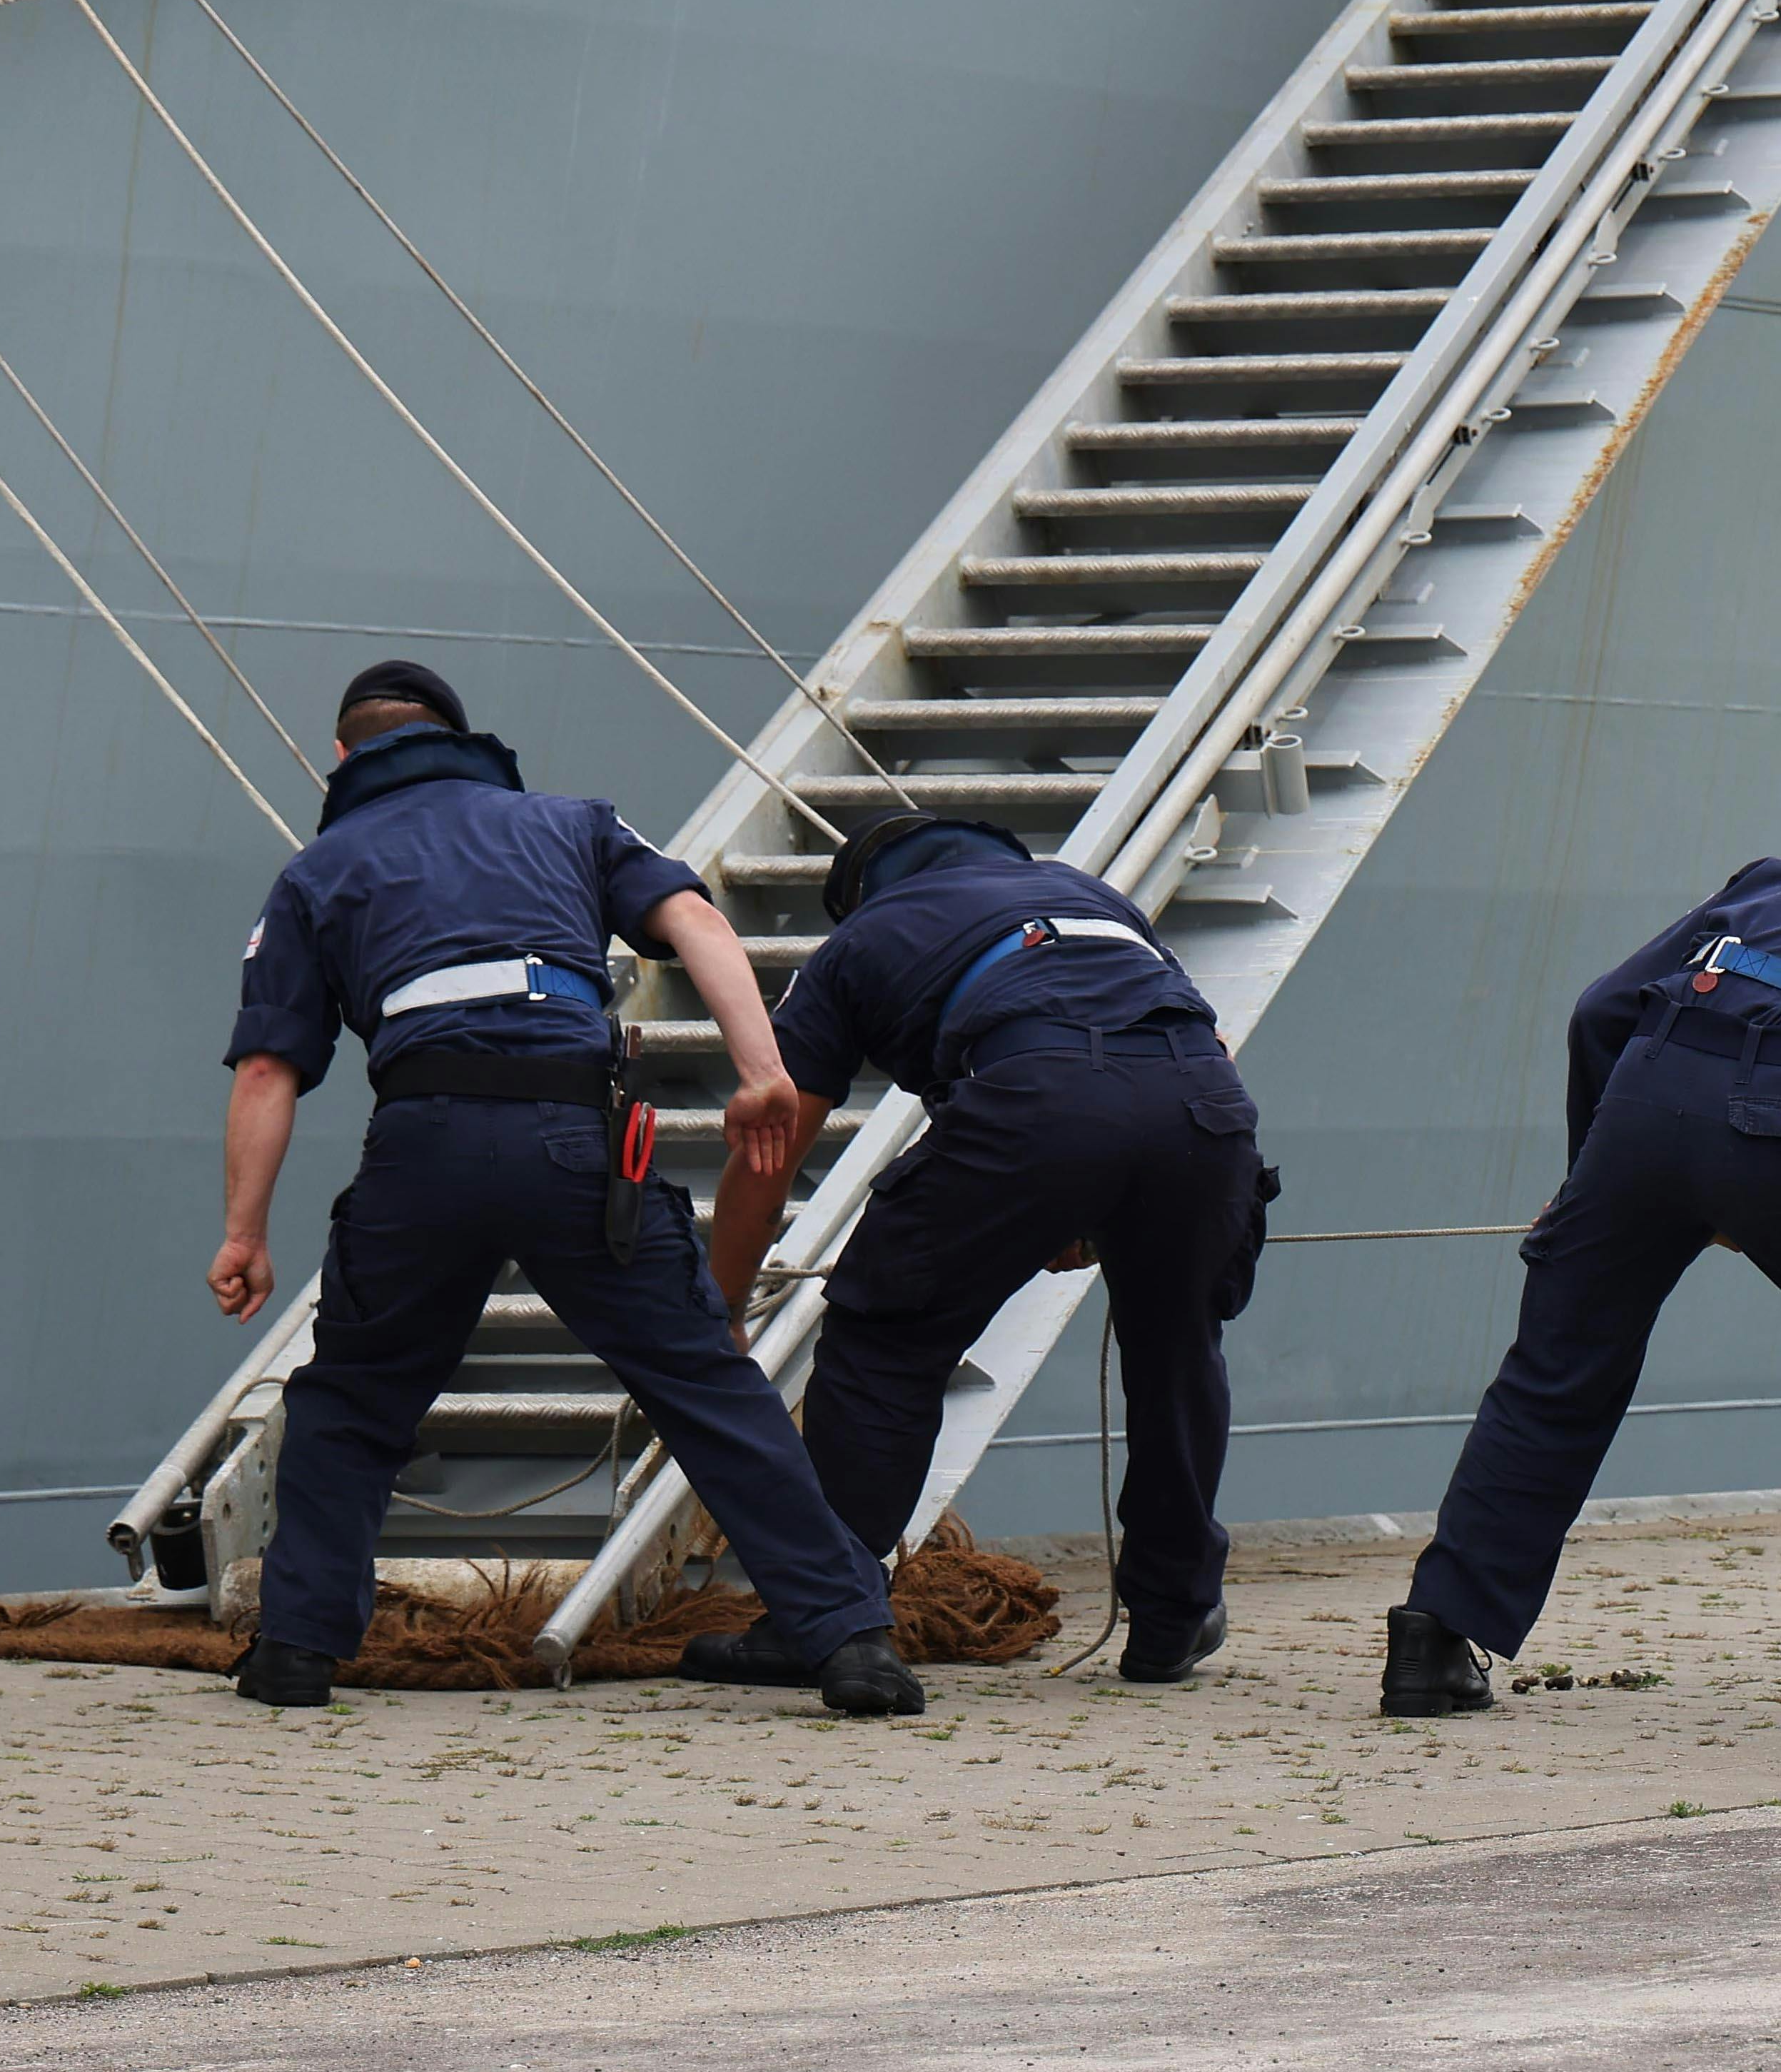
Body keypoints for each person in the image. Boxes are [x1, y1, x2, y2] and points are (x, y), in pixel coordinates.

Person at [211, 663, 913, 1715]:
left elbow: (268, 1068)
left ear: (346, 759)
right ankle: (851, 1642)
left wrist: (243, 1232)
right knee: (706, 1387)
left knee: (353, 1400)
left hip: (424, 1143)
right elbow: (699, 928)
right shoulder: (573, 823)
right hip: (577, 1138)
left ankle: (295, 1653)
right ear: (462, 735)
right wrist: (765, 1071)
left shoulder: (318, 871)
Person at [1384, 834, 1781, 1724]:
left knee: (1556, 1373)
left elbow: (1599, 1011)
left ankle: (1434, 1643)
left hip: (1641, 1102)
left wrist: (1593, 1182)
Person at [682, 812, 1272, 1689]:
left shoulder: (864, 940)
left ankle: (825, 1615)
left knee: (886, 1339)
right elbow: (1181, 1047)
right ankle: (1174, 1613)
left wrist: (721, 1310)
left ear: (860, 896)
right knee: (1178, 1345)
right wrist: (1085, 1201)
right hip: (1203, 1104)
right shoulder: (1095, 896)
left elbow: (772, 1144)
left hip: (1036, 1098)